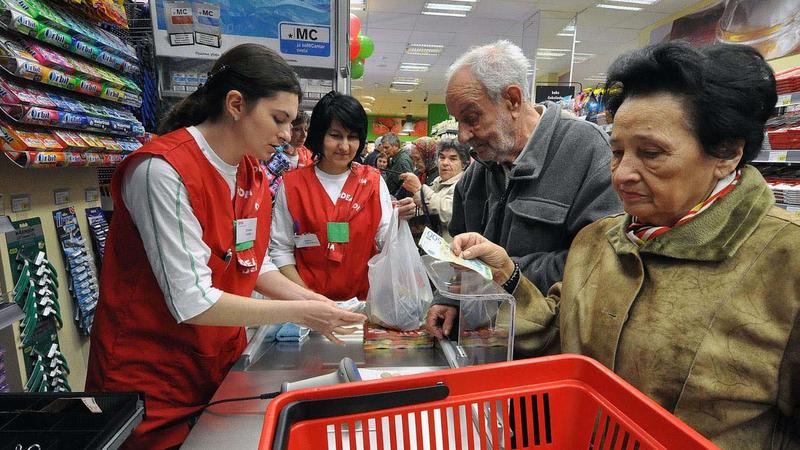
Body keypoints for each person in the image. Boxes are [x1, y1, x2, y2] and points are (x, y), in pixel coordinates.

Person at [435, 42, 799, 449]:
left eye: (652, 153)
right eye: (617, 152)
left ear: (727, 152)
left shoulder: (786, 262)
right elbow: (558, 338)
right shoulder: (599, 241)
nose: (622, 174)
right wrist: (504, 273)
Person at [86, 45, 365, 449]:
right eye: (278, 119)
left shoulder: (251, 170)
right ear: (236, 104)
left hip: (217, 368)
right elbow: (193, 299)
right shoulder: (162, 172)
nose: (288, 134)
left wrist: (314, 300)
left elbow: (254, 260)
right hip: (150, 384)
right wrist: (303, 312)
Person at [426, 40, 622, 329]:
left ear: (513, 101)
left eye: (471, 118)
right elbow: (460, 253)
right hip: (487, 337)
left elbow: (601, 262)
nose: (464, 136)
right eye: (458, 121)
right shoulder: (479, 171)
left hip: (550, 342)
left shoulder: (588, 151)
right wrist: (450, 296)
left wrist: (510, 272)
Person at [270, 92, 408, 300]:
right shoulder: (292, 186)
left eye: (352, 137)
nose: (345, 146)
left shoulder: (372, 182)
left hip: (364, 302)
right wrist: (308, 299)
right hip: (307, 306)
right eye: (335, 135)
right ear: (319, 135)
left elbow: (385, 241)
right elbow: (281, 250)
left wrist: (400, 223)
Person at [400, 139, 470, 241]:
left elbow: (448, 214)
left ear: (463, 164)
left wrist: (419, 191)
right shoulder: (437, 182)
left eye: (453, 159)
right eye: (442, 157)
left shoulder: (463, 185)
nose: (445, 163)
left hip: (448, 251)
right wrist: (412, 206)